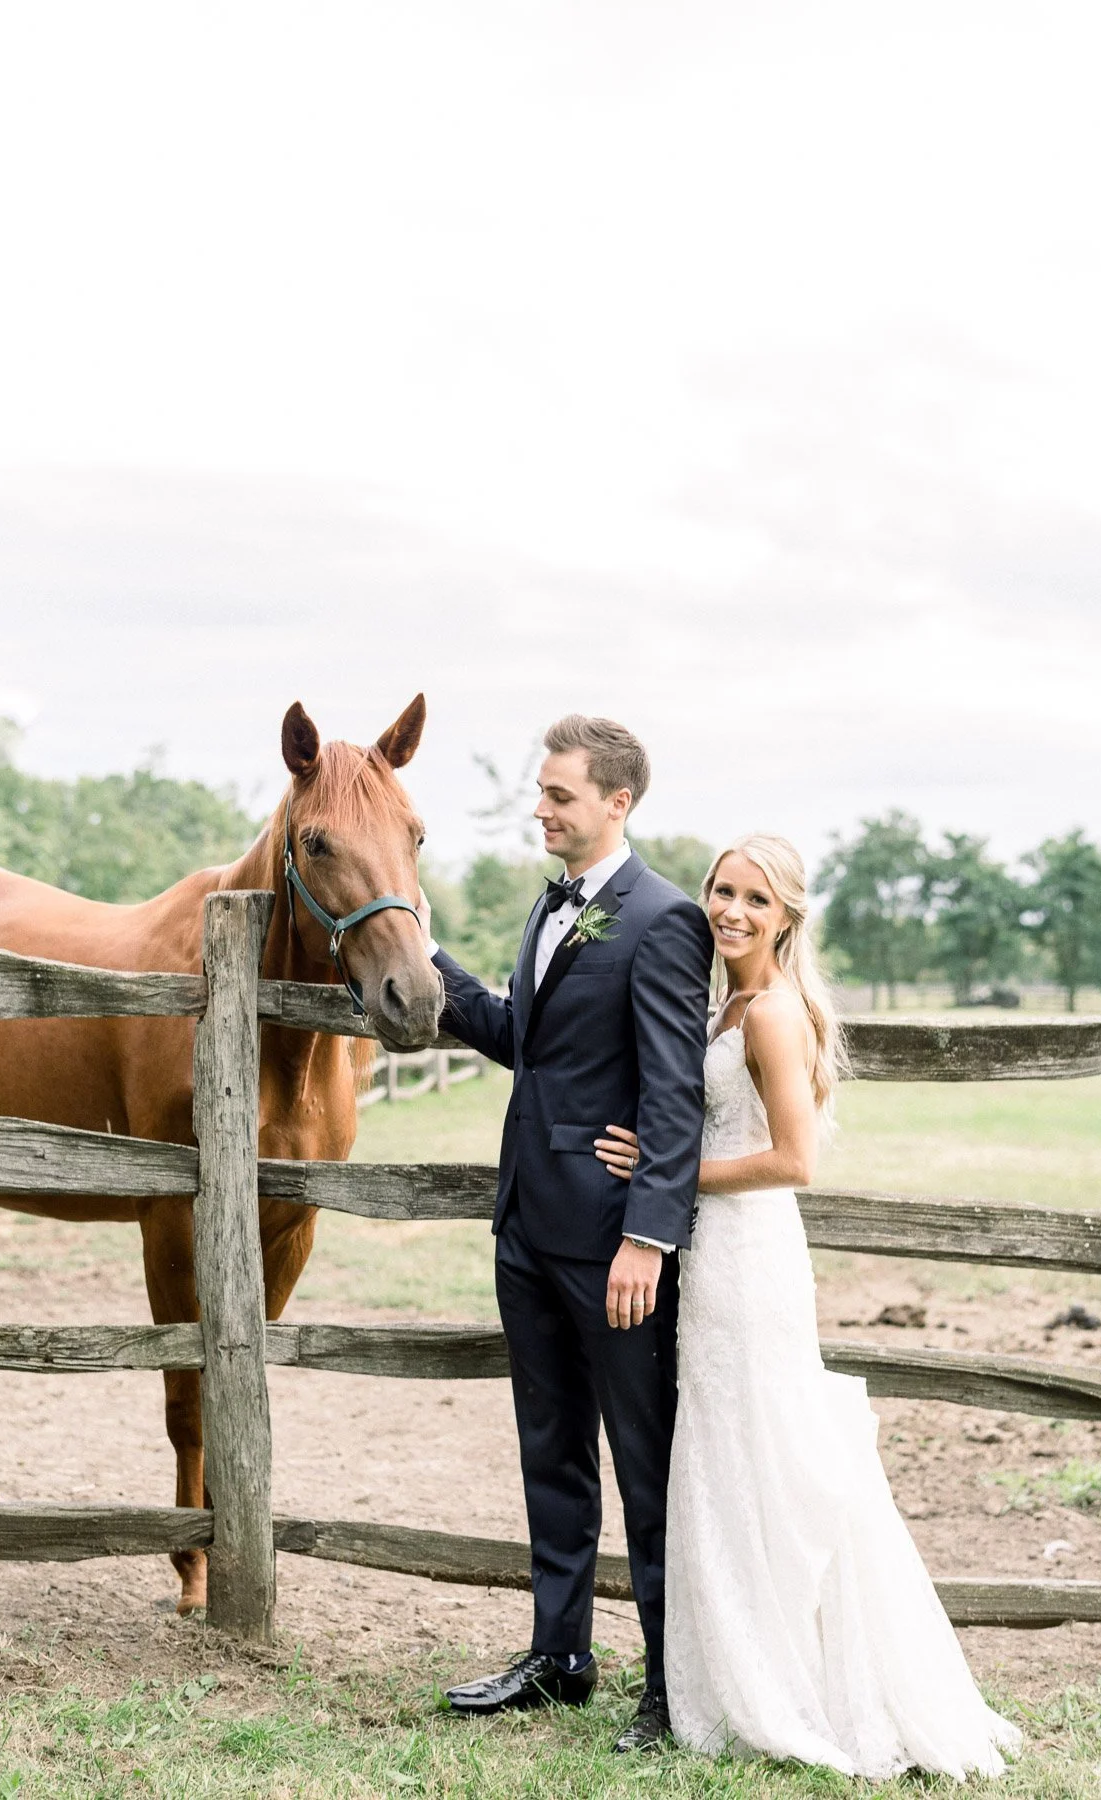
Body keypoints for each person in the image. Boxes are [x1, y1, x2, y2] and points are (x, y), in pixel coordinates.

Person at [597, 835, 1022, 1778]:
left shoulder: (774, 1013)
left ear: (787, 915)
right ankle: (742, 1668)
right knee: (725, 1457)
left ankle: (802, 1682)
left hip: (749, 1261)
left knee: (766, 1457)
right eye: (720, 891)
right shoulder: (730, 1000)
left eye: (754, 898)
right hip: (714, 1259)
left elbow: (795, 1161)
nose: (730, 911)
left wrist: (670, 1176)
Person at [419, 715, 713, 1752]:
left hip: (610, 1249)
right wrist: (424, 952)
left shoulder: (664, 920)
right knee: (551, 1454)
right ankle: (561, 1657)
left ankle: (672, 1690)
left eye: (558, 796)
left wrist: (648, 1239)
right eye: (540, 793)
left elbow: (672, 1095)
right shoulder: (550, 911)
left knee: (645, 1466)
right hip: (524, 1232)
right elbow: (522, 1044)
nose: (538, 809)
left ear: (617, 802)